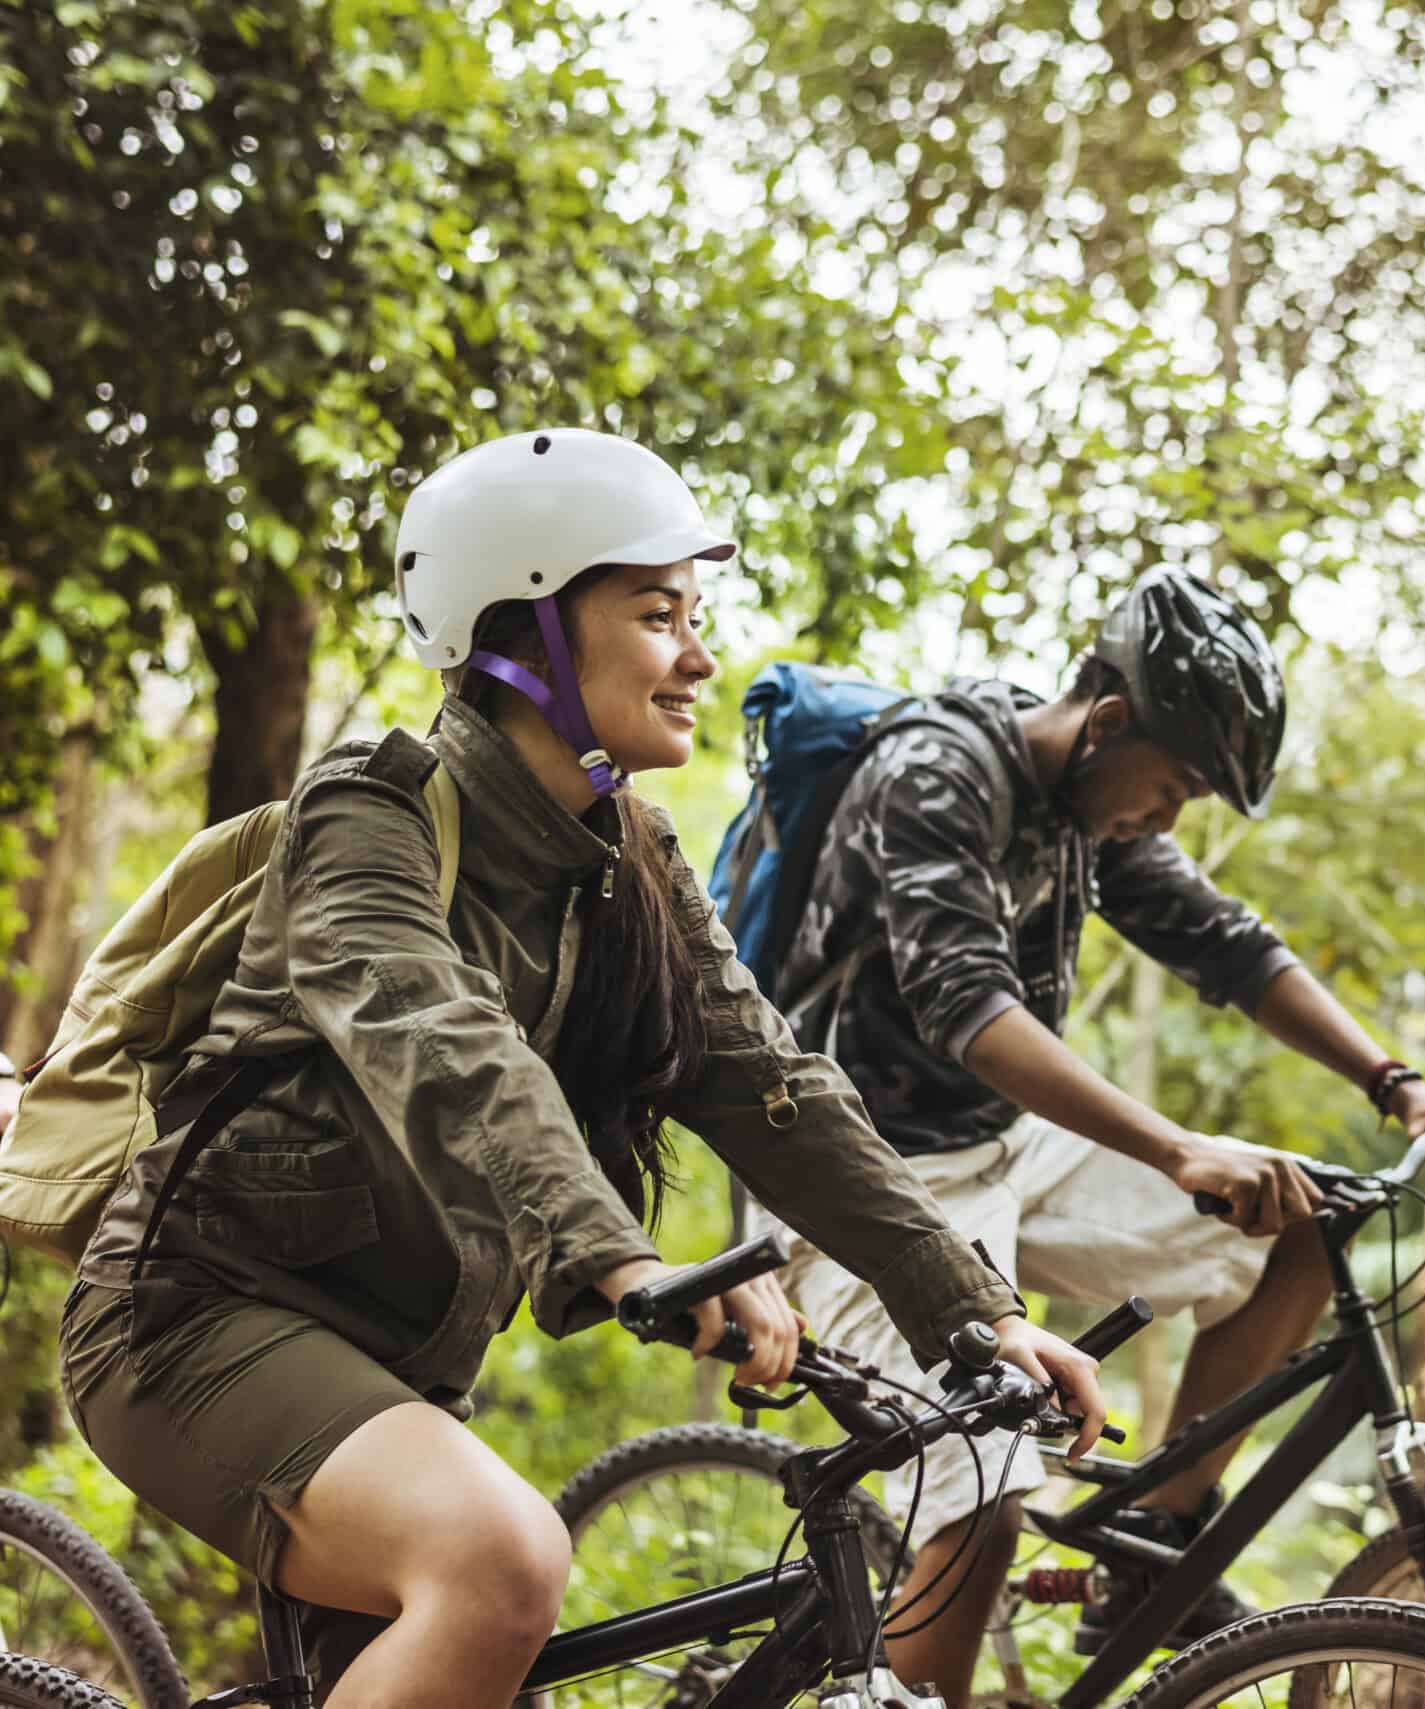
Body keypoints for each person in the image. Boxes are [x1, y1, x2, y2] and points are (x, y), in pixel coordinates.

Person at [56, 429, 1104, 1706]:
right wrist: (621, 1256)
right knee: (500, 1562)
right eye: (659, 614)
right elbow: (445, 1045)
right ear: (524, 632)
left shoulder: (635, 864)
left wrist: (974, 1309)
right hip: (191, 1318)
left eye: (694, 616)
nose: (700, 656)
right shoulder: (368, 815)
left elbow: (777, 1089)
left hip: (395, 1370)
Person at [757, 566, 1425, 1704]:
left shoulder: (1085, 806)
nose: (1167, 817)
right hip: (855, 1176)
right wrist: (1177, 1147)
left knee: (1304, 1224)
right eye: (1172, 786)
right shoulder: (937, 770)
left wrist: (1394, 1081)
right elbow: (970, 1010)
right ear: (1109, 722)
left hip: (994, 1147)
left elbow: (1225, 944)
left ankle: (1150, 1551)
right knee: (984, 1483)